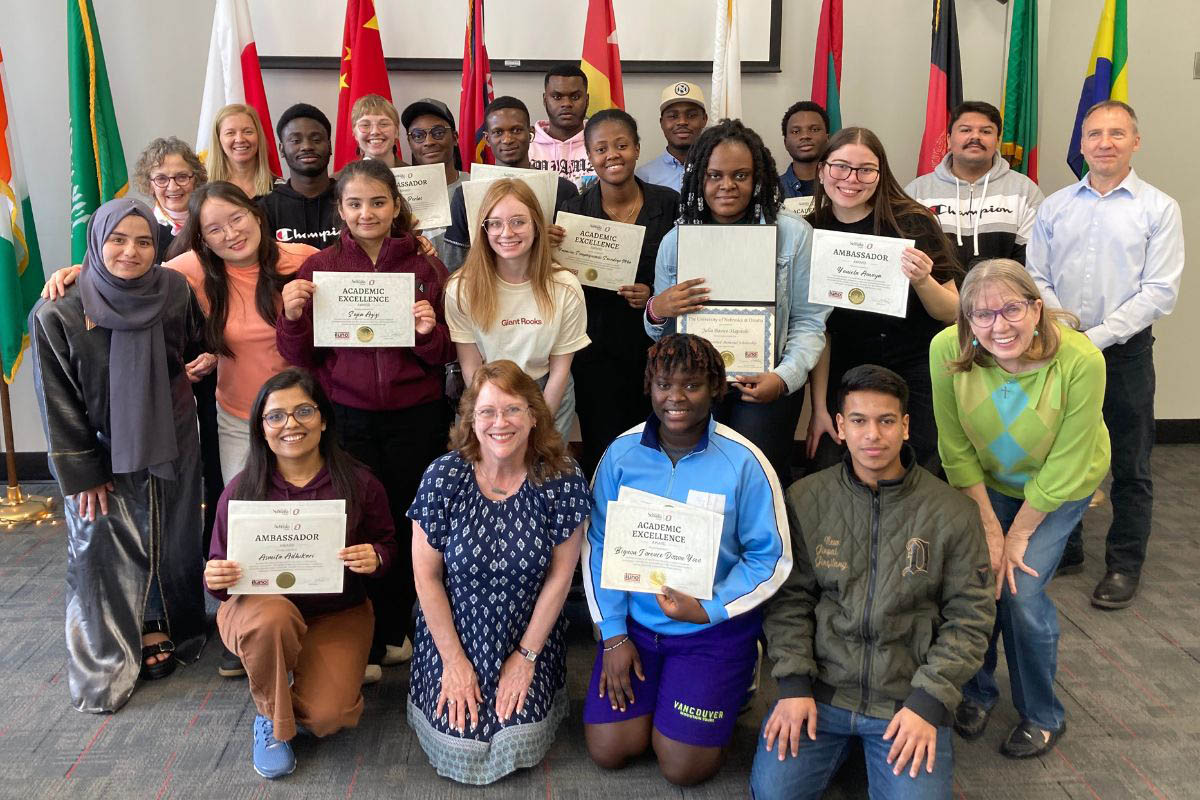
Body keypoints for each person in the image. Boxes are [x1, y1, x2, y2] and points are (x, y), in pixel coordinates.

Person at [750, 365, 994, 800]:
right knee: (773, 794)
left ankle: (860, 759)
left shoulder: (953, 512)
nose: (873, 435)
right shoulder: (806, 498)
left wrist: (929, 702)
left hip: (908, 701)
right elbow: (789, 601)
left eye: (886, 421)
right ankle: (849, 757)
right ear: (840, 427)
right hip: (821, 695)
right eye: (859, 421)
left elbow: (970, 618)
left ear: (905, 426)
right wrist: (793, 685)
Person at [582, 333, 791, 786]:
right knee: (609, 749)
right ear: (649, 387)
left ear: (715, 388)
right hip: (636, 628)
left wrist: (709, 608)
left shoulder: (744, 461)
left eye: (692, 385)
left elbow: (770, 559)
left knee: (683, 768)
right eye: (663, 385)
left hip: (710, 632)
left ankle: (735, 677)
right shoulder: (621, 455)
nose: (675, 397)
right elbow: (597, 545)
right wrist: (613, 635)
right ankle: (668, 692)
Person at [30, 198, 213, 713]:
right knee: (104, 546)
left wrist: (199, 362)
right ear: (96, 242)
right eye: (117, 240)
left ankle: (166, 624)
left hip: (173, 437)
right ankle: (110, 648)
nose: (130, 252)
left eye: (144, 242)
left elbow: (194, 343)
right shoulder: (59, 310)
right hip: (101, 451)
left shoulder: (174, 290)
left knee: (172, 534)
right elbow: (56, 400)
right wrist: (81, 471)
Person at [278, 157, 455, 682]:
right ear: (340, 209)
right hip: (347, 415)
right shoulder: (319, 268)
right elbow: (300, 357)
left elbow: (446, 352)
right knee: (358, 521)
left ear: (396, 205)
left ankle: (404, 627)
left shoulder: (425, 269)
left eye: (378, 202)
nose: (366, 212)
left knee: (410, 519)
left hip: (415, 415)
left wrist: (428, 333)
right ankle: (366, 632)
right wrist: (292, 315)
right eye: (354, 203)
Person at [930, 259, 1110, 758]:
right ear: (966, 319)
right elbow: (954, 449)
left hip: (1060, 486)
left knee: (1021, 592)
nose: (999, 326)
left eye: (1011, 309)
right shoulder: (946, 349)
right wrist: (991, 527)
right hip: (987, 484)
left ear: (1036, 308)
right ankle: (977, 691)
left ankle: (1043, 714)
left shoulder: (1080, 359)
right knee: (977, 581)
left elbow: (1067, 464)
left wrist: (1017, 534)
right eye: (982, 314)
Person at [203, 368, 399, 780]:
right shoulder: (241, 490)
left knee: (331, 716)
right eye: (276, 416)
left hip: (337, 612)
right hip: (259, 611)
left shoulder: (360, 483)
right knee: (273, 620)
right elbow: (220, 577)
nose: (290, 424)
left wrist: (376, 557)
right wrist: (215, 578)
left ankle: (292, 680)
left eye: (304, 411)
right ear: (261, 428)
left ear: (323, 419)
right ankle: (271, 719)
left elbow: (388, 547)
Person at [1027, 100, 1184, 608]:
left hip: (1124, 353)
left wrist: (1093, 337)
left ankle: (1124, 564)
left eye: (1117, 133)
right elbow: (1036, 276)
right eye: (1094, 134)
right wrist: (1064, 331)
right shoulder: (1055, 206)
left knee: (1130, 462)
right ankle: (1067, 547)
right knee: (1057, 452)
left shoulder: (1158, 208)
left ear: (1135, 142)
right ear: (1082, 143)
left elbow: (1159, 292)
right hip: (1059, 347)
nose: (1105, 143)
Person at [407, 360, 590, 784]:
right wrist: (454, 662)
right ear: (471, 420)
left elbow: (560, 578)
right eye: (487, 411)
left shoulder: (562, 479)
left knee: (515, 737)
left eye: (512, 410)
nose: (499, 423)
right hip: (454, 632)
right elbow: (426, 578)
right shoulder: (443, 476)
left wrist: (526, 659)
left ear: (534, 416)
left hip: (528, 633)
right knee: (461, 736)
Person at [645, 119, 830, 486]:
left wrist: (784, 378)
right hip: (693, 387)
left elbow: (810, 323)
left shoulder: (793, 235)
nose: (727, 185)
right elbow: (661, 339)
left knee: (757, 481)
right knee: (697, 481)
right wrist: (657, 310)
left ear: (758, 177)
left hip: (765, 385)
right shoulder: (676, 241)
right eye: (715, 175)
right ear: (699, 179)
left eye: (740, 175)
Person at [805, 127, 962, 475]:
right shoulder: (810, 231)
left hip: (914, 367)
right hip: (846, 370)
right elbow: (817, 329)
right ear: (822, 170)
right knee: (834, 465)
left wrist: (922, 280)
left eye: (865, 170)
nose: (851, 179)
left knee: (918, 467)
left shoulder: (913, 222)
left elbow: (951, 311)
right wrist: (819, 409)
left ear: (880, 174)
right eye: (840, 166)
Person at [560, 109, 680, 477]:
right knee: (603, 449)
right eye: (601, 149)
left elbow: (686, 268)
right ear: (589, 156)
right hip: (596, 354)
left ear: (637, 148)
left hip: (657, 350)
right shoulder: (573, 213)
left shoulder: (669, 203)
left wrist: (653, 294)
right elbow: (562, 287)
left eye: (622, 145)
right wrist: (549, 252)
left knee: (662, 443)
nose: (612, 155)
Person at [445, 178, 589, 442]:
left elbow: (560, 369)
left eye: (518, 222)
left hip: (547, 392)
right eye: (495, 223)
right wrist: (491, 414)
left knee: (542, 465)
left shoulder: (565, 286)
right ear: (484, 230)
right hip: (484, 392)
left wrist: (538, 425)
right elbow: (470, 365)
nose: (507, 233)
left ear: (536, 225)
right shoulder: (461, 287)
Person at [443, 96, 579, 271]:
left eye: (516, 130)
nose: (507, 139)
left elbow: (575, 258)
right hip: (485, 285)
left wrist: (554, 243)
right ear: (487, 138)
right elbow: (453, 264)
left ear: (531, 133)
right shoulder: (465, 195)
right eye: (498, 132)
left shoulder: (563, 190)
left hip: (547, 282)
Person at [905, 101, 1044, 271]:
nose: (975, 137)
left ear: (997, 140)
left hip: (1005, 288)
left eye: (986, 131)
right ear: (948, 140)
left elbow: (1031, 260)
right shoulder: (917, 193)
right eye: (965, 130)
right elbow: (908, 257)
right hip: (931, 288)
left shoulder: (1025, 191)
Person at [260, 103, 340, 249]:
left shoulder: (350, 199)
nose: (307, 146)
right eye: (295, 141)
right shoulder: (265, 209)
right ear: (281, 149)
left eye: (316, 140)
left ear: (330, 147)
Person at [401, 97, 470, 262]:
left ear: (455, 137)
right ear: (410, 142)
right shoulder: (397, 194)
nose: (429, 142)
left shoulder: (474, 186)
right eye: (418, 135)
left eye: (438, 133)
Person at [132, 136, 207, 260]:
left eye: (182, 177)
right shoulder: (143, 230)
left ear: (196, 179)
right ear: (149, 185)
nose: (173, 187)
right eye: (161, 179)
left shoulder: (213, 221)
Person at [529, 63, 595, 188]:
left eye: (575, 97)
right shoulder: (527, 146)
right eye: (557, 97)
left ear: (587, 100)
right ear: (545, 100)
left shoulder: (601, 143)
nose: (566, 104)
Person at [636, 81, 708, 193]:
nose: (682, 122)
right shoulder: (643, 177)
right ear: (662, 122)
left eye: (691, 115)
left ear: (704, 119)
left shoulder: (718, 170)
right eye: (673, 116)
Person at [205, 103, 277, 199]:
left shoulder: (281, 190)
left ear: (259, 136)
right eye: (230, 133)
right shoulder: (205, 193)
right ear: (218, 140)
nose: (240, 139)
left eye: (248, 132)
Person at [778, 101, 829, 200]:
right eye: (796, 131)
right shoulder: (771, 190)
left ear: (827, 138)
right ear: (785, 143)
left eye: (814, 130)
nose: (805, 136)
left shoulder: (843, 186)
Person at [350, 94, 408, 169]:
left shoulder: (417, 174)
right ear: (355, 134)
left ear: (396, 131)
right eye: (365, 125)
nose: (375, 131)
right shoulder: (343, 177)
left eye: (384, 124)